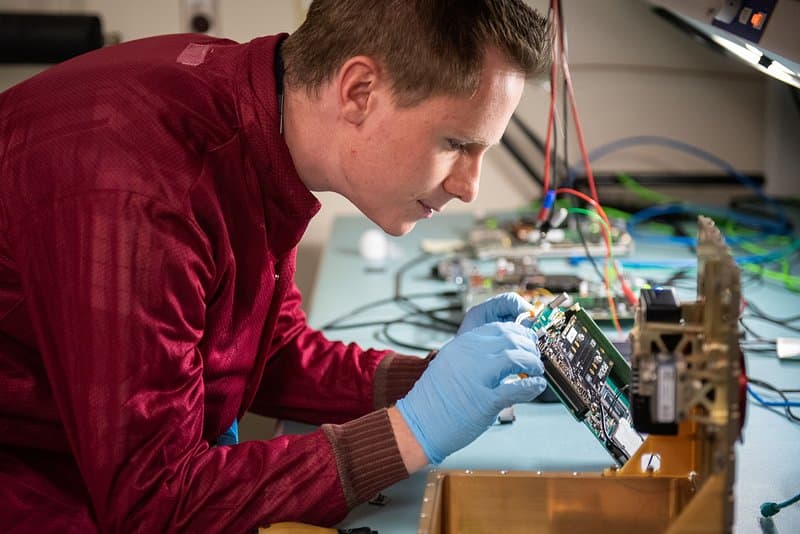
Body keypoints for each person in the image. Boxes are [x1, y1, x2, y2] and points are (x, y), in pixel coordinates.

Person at [0, 0, 549, 531]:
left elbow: (267, 354)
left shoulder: (255, 111)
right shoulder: (148, 191)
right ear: (360, 91)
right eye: (456, 143)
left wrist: (429, 382)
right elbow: (156, 505)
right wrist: (410, 432)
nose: (469, 187)